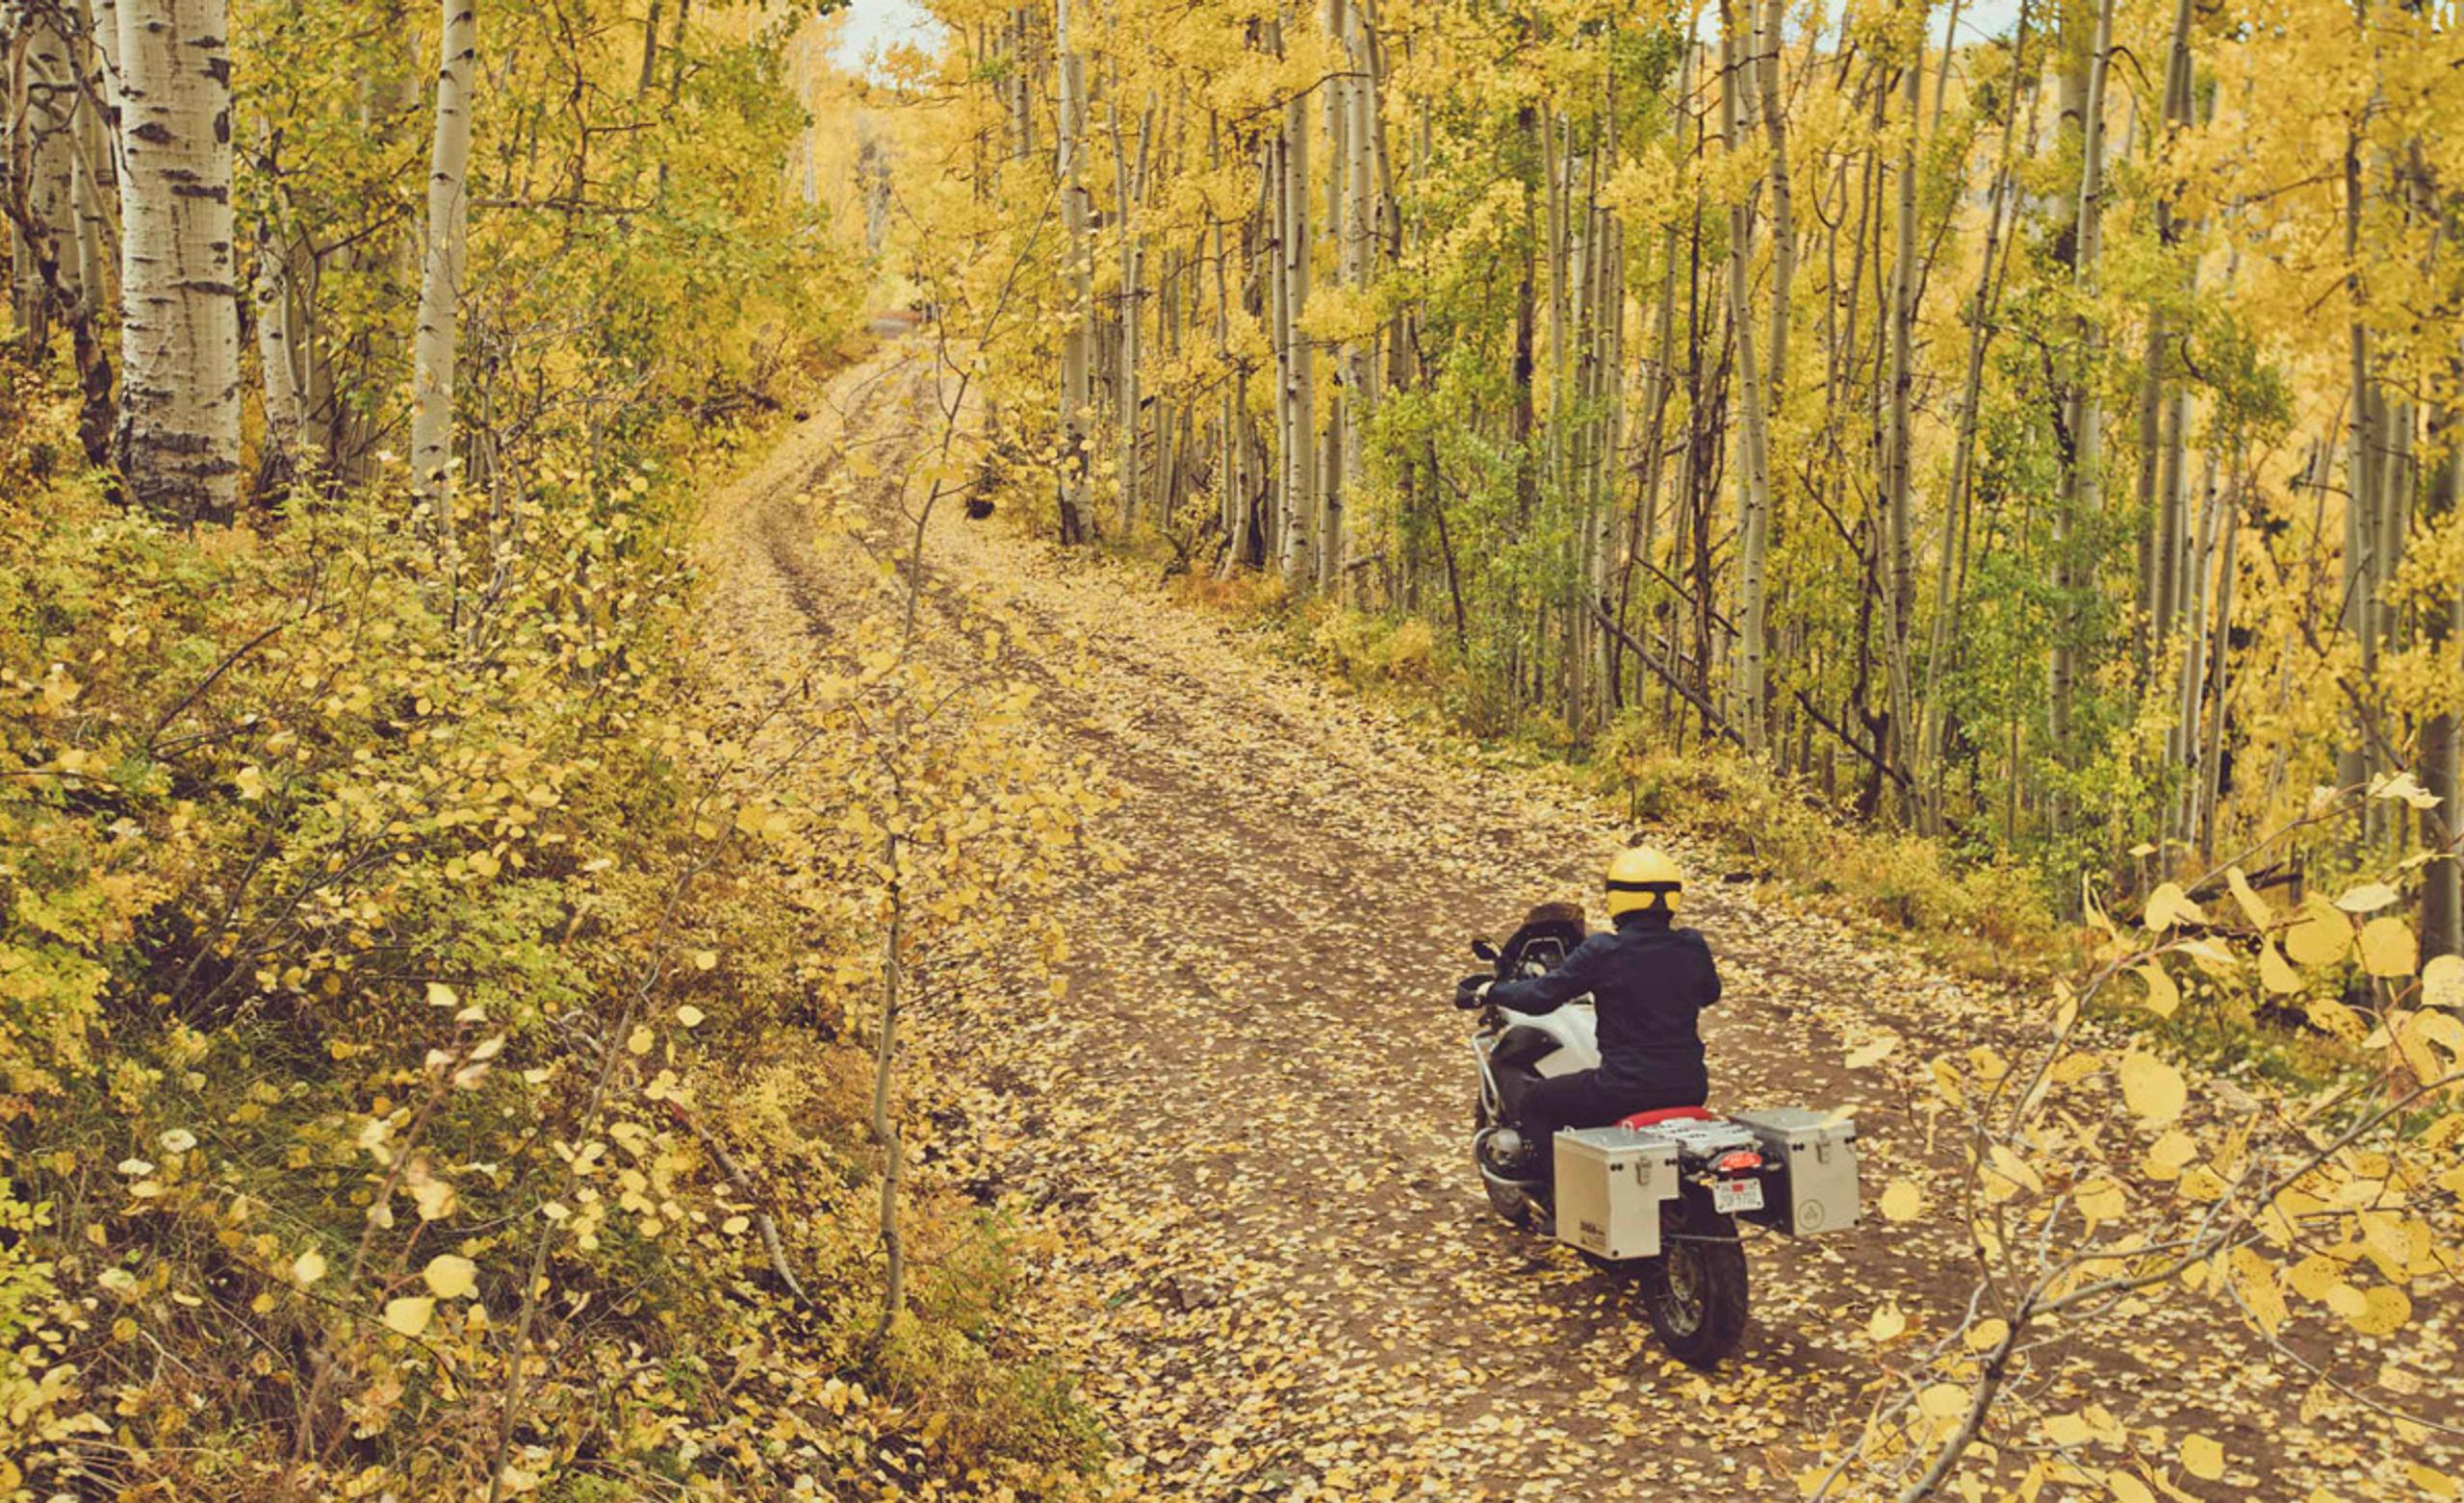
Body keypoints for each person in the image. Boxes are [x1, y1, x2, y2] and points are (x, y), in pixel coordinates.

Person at [1458, 846, 1722, 1171]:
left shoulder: (1606, 951)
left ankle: (1562, 1200)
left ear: (1617, 897)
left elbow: (1541, 996)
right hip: (1690, 1086)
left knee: (1538, 1103)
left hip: (1624, 1088)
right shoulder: (1691, 944)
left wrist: (1491, 990)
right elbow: (1709, 993)